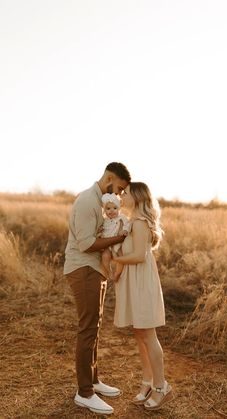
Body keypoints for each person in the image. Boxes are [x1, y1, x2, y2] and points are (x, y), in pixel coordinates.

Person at [63, 162, 131, 415]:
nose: (121, 195)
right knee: (87, 328)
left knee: (95, 328)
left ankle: (93, 380)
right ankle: (84, 393)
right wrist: (119, 238)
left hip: (95, 270)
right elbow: (86, 243)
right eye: (120, 188)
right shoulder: (86, 202)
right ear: (110, 178)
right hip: (83, 269)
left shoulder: (101, 202)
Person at [112, 182, 173, 411]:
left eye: (125, 193)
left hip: (141, 282)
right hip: (134, 281)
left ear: (136, 197)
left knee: (148, 334)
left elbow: (138, 256)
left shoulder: (139, 223)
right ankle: (147, 382)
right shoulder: (131, 222)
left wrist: (116, 260)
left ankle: (161, 386)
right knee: (139, 334)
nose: (121, 196)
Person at [100, 192, 130, 281]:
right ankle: (109, 272)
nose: (111, 210)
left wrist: (125, 230)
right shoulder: (104, 220)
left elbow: (127, 224)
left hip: (118, 243)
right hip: (107, 243)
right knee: (105, 256)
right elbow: (103, 230)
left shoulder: (122, 218)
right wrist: (100, 231)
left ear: (119, 208)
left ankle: (117, 273)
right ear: (104, 210)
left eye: (115, 208)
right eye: (108, 208)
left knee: (120, 257)